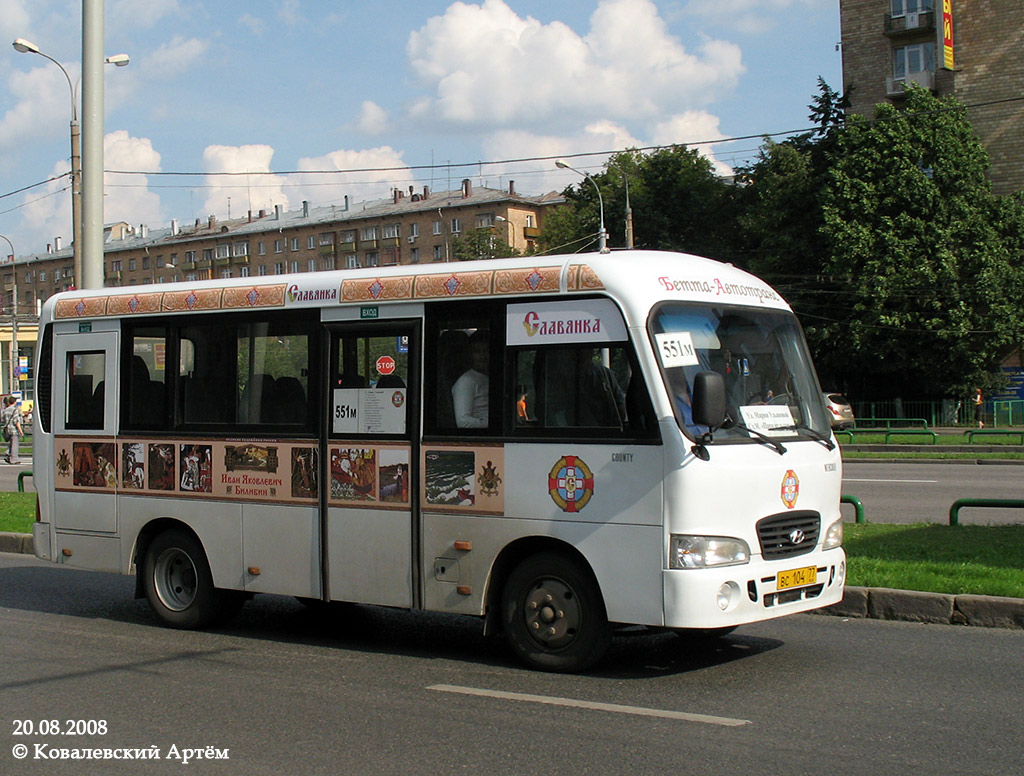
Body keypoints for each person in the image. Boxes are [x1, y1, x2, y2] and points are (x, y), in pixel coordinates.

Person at [452, 330, 489, 428]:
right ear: (470, 354)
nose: (482, 356)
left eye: (486, 351)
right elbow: (463, 422)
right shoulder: (466, 381)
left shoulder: (490, 378)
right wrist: (494, 425)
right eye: (477, 351)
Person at [3, 395, 23, 464]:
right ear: (14, 402)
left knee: (11, 443)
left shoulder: (5, 410)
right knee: (15, 444)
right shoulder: (15, 410)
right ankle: (14, 459)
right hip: (14, 430)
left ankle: (7, 454)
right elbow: (16, 421)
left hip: (7, 429)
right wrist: (20, 430)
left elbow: (3, 420)